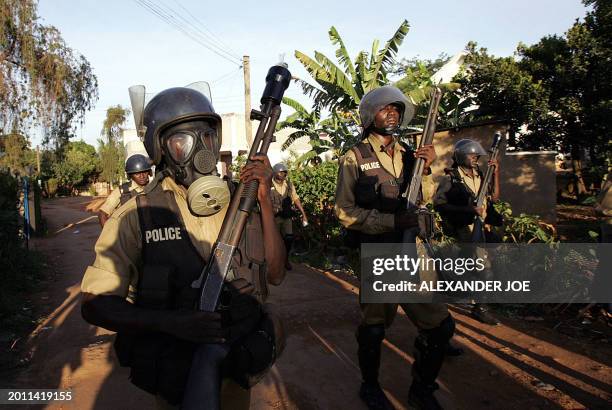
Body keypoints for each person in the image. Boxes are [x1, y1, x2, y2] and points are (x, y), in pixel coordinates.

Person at [80, 86, 286, 409]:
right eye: (183, 142)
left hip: (237, 365)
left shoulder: (242, 200)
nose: (200, 152)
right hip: (175, 372)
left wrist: (264, 200)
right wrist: (171, 323)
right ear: (160, 149)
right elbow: (94, 304)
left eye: (206, 138)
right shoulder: (137, 215)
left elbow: (274, 273)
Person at [335, 85, 455, 410]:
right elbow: (344, 212)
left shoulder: (410, 155)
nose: (392, 113)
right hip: (378, 254)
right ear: (369, 115)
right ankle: (370, 386)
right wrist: (390, 222)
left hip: (412, 253)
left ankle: (422, 390)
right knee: (374, 329)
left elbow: (423, 199)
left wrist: (426, 169)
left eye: (397, 109)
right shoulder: (354, 157)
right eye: (385, 108)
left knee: (441, 326)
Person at [433, 138, 502, 326]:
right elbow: (439, 205)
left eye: (477, 155)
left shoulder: (480, 174)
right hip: (465, 228)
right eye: (472, 155)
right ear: (462, 156)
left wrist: (496, 173)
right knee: (484, 267)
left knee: (477, 264)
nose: (476, 158)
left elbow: (494, 198)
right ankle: (481, 308)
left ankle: (460, 289)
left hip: (483, 227)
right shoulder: (451, 178)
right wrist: (469, 210)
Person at [270, 162, 308, 270]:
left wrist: (303, 214)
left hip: (286, 216)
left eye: (285, 172)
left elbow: (296, 199)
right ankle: (274, 261)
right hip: (274, 217)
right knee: (274, 240)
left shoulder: (289, 185)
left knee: (289, 239)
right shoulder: (269, 185)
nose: (283, 174)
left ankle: (286, 259)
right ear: (275, 173)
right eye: (281, 172)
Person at [98, 154, 152, 227]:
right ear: (130, 175)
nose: (142, 176)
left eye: (144, 172)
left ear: (149, 172)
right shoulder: (122, 191)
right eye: (137, 174)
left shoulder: (155, 188)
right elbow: (102, 214)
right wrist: (110, 235)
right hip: (130, 234)